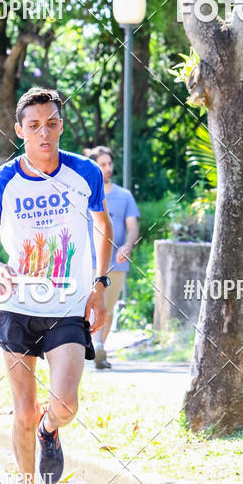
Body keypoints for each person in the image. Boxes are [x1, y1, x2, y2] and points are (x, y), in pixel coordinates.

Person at [0, 87, 113, 484]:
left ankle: (51, 429)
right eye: (33, 126)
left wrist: (99, 285)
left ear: (60, 126)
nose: (43, 133)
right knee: (22, 408)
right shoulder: (3, 182)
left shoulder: (85, 172)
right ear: (19, 131)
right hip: (17, 307)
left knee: (65, 403)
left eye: (51, 123)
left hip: (68, 305)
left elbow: (103, 227)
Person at [84, 146, 140, 369]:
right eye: (102, 164)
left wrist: (127, 245)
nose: (108, 168)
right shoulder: (83, 194)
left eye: (109, 164)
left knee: (108, 306)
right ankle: (89, 347)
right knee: (86, 306)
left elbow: (133, 227)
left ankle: (99, 348)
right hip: (87, 262)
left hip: (116, 263)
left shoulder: (124, 196)